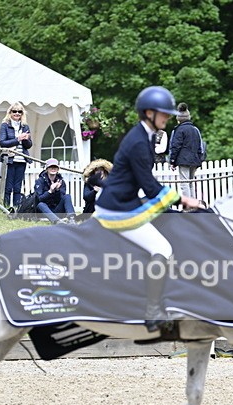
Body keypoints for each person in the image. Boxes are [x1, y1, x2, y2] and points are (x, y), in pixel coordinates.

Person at [94, 86, 200, 332]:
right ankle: (152, 312)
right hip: (117, 210)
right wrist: (184, 200)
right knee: (162, 248)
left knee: (168, 224)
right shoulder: (139, 142)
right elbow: (151, 187)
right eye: (164, 113)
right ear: (149, 113)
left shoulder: (144, 136)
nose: (168, 117)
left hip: (127, 204)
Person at [0, 103, 32, 208]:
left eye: (19, 111)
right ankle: (7, 208)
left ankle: (17, 208)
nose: (17, 113)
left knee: (18, 187)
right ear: (10, 113)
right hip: (10, 159)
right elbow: (2, 143)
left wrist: (26, 139)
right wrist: (18, 139)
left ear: (22, 114)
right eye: (14, 111)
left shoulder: (25, 126)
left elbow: (29, 145)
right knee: (8, 187)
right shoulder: (5, 125)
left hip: (22, 159)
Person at [168, 103, 202, 199]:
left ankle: (189, 206)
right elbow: (200, 147)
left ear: (178, 119)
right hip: (194, 160)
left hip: (183, 160)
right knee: (191, 184)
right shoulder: (195, 130)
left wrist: (172, 161)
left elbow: (175, 147)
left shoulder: (179, 130)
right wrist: (199, 160)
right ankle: (194, 205)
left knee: (184, 184)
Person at [34, 158, 75, 224]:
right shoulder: (40, 181)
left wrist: (57, 190)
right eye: (51, 167)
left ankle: (72, 219)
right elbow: (39, 199)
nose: (53, 169)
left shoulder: (61, 182)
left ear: (58, 169)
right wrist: (50, 191)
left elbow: (61, 199)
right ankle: (57, 222)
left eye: (55, 167)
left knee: (67, 196)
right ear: (47, 169)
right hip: (44, 211)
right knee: (41, 204)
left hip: (57, 210)